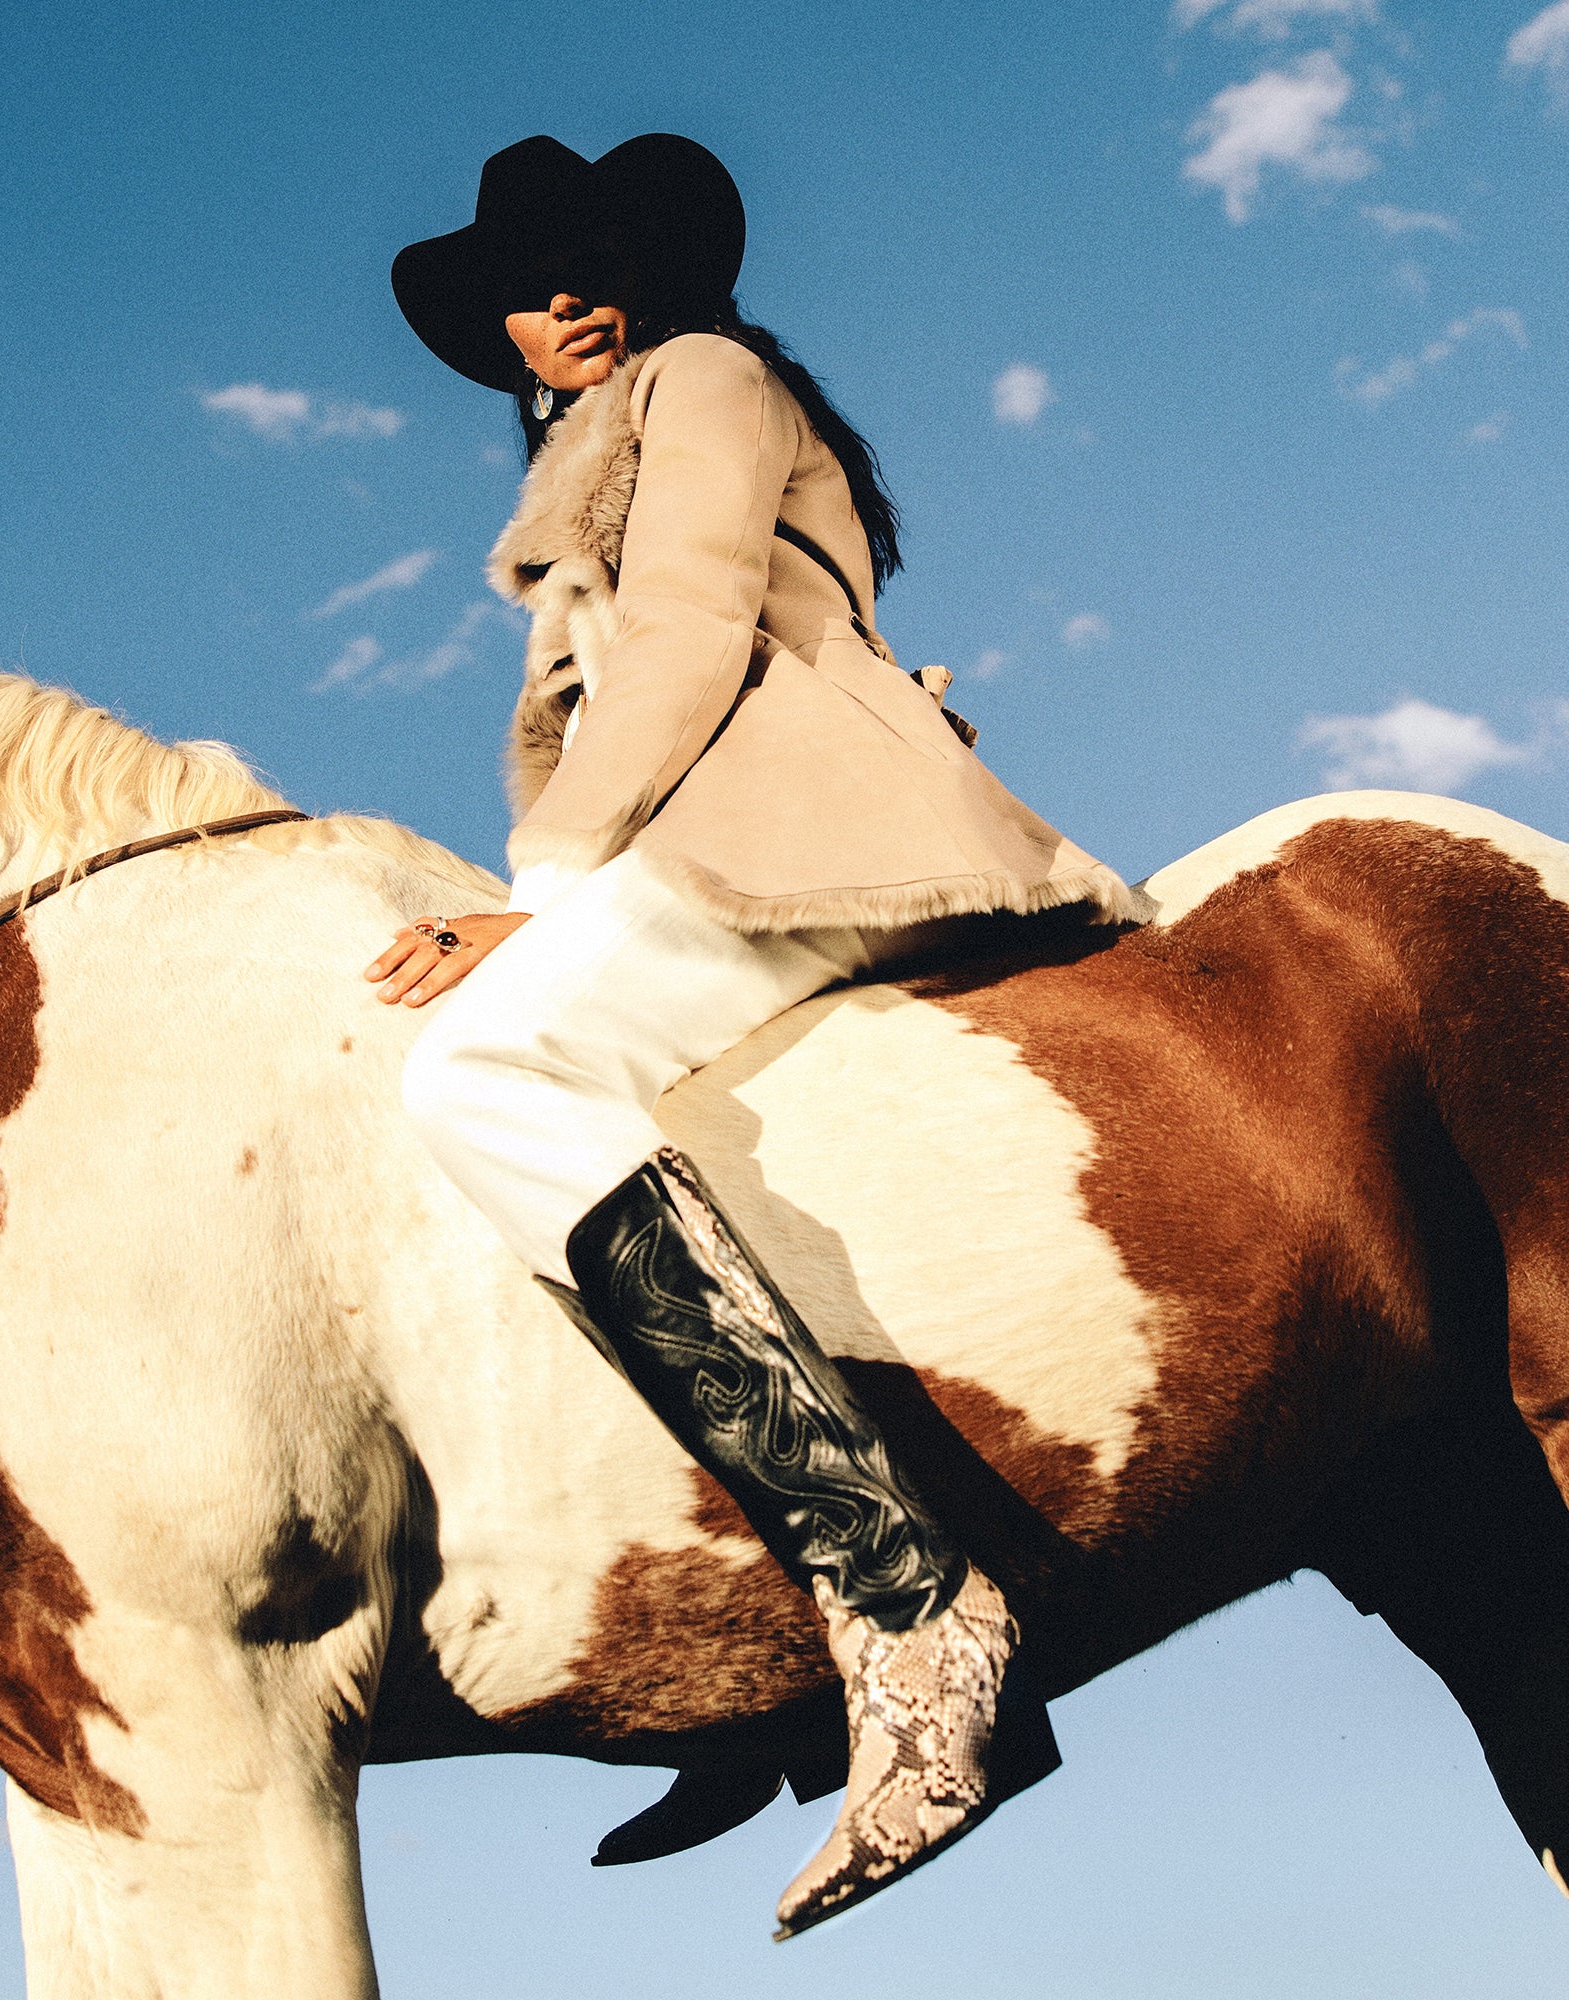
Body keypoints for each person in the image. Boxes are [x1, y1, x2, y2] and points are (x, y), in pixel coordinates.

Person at [372, 133, 1133, 1938]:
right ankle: (778, 1650)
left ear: (652, 276)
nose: (556, 300)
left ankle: (911, 1600)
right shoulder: (598, 464)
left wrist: (544, 890)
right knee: (535, 1152)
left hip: (794, 822)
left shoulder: (704, 376)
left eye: (582, 263)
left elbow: (700, 624)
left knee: (484, 1066)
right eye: (522, 289)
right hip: (717, 827)